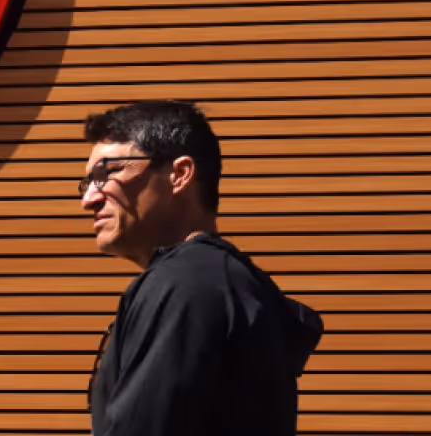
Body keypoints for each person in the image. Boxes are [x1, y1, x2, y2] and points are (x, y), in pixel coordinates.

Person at [80, 100, 324, 436]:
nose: (89, 200)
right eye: (87, 183)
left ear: (179, 175)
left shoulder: (183, 287)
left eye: (107, 173)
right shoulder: (219, 282)